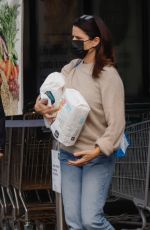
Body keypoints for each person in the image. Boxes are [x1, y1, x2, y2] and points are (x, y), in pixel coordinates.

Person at [34, 14, 125, 230]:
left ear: (95, 42)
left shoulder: (108, 75)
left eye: (79, 38)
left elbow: (117, 123)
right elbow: (52, 94)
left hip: (96, 157)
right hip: (68, 155)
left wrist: (97, 151)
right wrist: (41, 104)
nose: (73, 42)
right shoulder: (70, 69)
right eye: (72, 37)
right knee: (74, 222)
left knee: (91, 220)